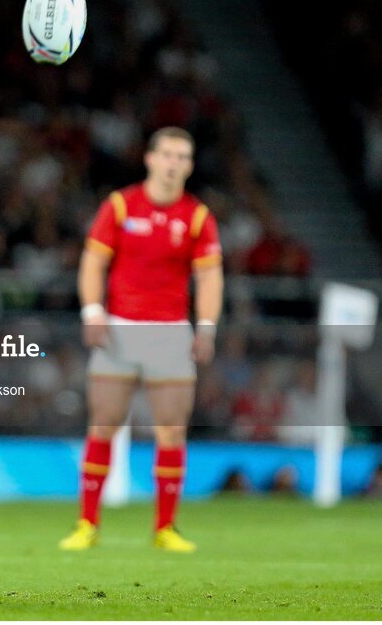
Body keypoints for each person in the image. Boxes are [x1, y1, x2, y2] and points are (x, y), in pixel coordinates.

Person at [59, 126, 223, 553]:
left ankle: (165, 528)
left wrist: (206, 326)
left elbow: (209, 277)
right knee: (103, 425)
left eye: (182, 156)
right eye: (167, 154)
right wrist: (92, 311)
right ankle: (87, 524)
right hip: (119, 330)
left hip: (170, 334)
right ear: (150, 158)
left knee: (171, 432)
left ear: (189, 165)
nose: (173, 163)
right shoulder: (119, 205)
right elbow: (93, 262)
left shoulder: (198, 217)